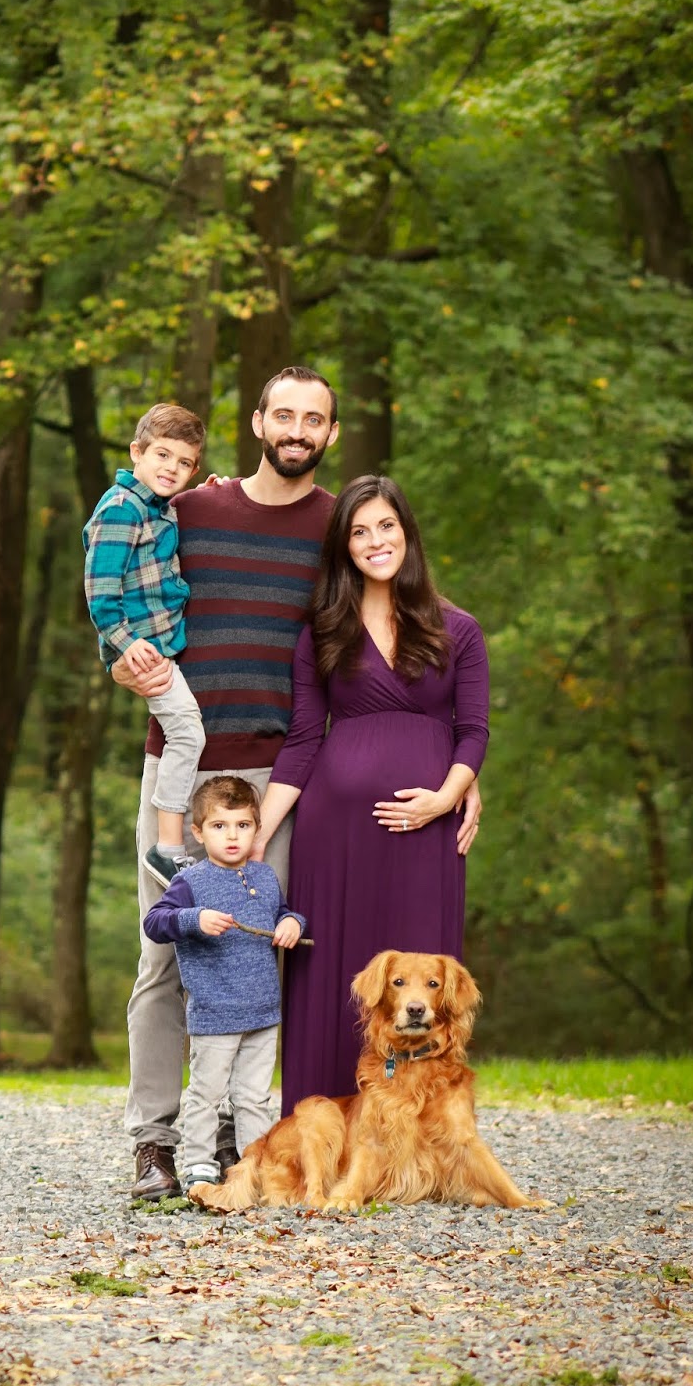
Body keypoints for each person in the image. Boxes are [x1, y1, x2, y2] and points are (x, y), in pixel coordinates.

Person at [114, 379, 483, 1199]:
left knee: (268, 954)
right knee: (168, 955)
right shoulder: (189, 509)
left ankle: (239, 1133)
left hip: (284, 776)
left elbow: (413, 642)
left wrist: (462, 779)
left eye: (313, 419)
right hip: (183, 765)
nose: (296, 429)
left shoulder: (338, 526)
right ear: (258, 422)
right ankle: (155, 1141)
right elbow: (121, 583)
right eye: (283, 414)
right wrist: (120, 658)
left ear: (331, 432)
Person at [253, 475, 489, 1115]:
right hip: (334, 836)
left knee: (422, 986)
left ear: (407, 533)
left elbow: (473, 731)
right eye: (359, 532)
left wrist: (445, 798)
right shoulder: (323, 631)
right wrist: (259, 832)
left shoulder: (458, 630)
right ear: (344, 546)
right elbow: (304, 739)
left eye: (386, 526)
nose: (375, 541)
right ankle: (321, 1133)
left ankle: (421, 1137)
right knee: (335, 976)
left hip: (427, 837)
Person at [142, 776, 305, 1190]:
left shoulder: (264, 876)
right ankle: (199, 1165)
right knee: (206, 1094)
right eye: (219, 826)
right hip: (215, 1015)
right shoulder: (191, 883)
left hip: (262, 1013)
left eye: (242, 826)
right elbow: (155, 922)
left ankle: (255, 1169)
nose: (232, 836)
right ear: (199, 833)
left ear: (256, 829)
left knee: (253, 1097)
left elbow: (282, 912)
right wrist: (193, 919)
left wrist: (292, 922)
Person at [82, 404, 207, 888]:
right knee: (188, 735)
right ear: (137, 452)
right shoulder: (122, 508)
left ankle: (169, 844)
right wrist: (125, 643)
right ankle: (167, 847)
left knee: (185, 733)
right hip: (144, 649)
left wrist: (210, 491)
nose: (171, 468)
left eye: (183, 462)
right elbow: (100, 590)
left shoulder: (159, 505)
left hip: (156, 643)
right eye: (162, 455)